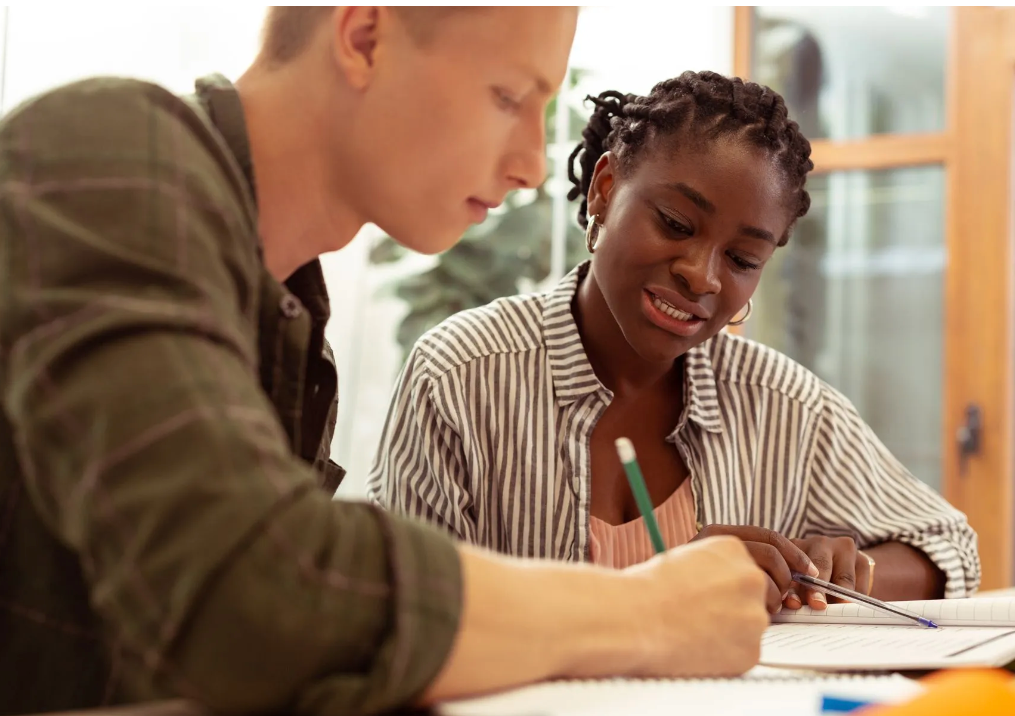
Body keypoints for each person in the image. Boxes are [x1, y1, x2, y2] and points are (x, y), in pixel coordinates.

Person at [0, 8, 772, 716]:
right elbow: (256, 595)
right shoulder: (102, 153)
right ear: (364, 37)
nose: (533, 165)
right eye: (508, 96)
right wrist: (645, 612)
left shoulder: (285, 320)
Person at [367, 70, 982, 615]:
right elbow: (396, 612)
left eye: (743, 258)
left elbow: (949, 547)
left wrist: (829, 570)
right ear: (605, 190)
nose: (703, 275)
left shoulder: (784, 405)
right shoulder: (460, 377)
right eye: (676, 225)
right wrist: (658, 590)